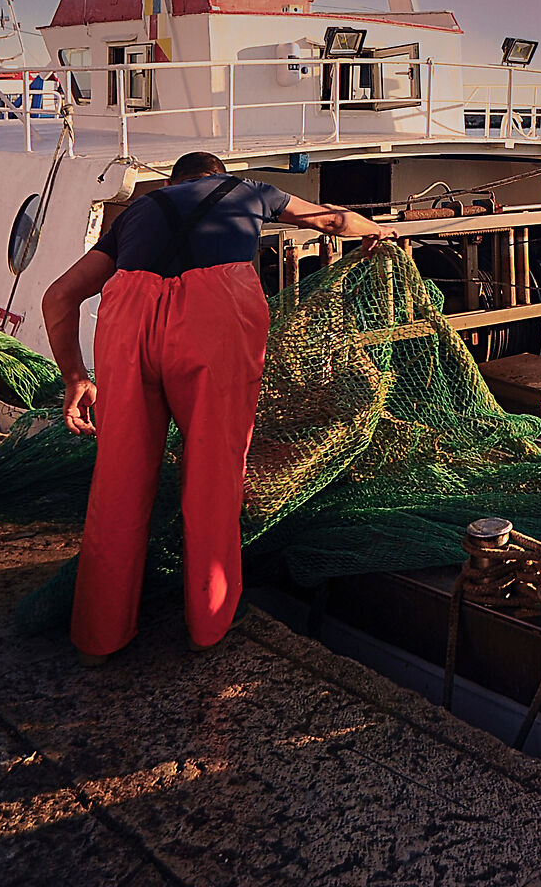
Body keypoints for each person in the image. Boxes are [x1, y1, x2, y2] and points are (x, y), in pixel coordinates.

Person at [40, 150, 388, 663]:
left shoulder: (139, 211)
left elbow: (59, 297)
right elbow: (330, 218)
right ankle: (208, 624)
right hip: (212, 315)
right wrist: (377, 231)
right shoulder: (249, 191)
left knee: (118, 482)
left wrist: (75, 378)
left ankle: (100, 633)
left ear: (174, 181)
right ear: (217, 177)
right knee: (213, 479)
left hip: (127, 318)